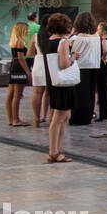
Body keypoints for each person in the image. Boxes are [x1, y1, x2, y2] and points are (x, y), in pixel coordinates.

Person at [39, 13, 77, 163]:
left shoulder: (49, 41)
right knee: (60, 117)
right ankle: (54, 151)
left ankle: (57, 149)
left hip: (54, 81)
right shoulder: (62, 43)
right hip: (63, 82)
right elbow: (63, 64)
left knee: (62, 116)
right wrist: (73, 58)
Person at [69, 12, 100, 126]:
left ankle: (78, 117)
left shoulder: (79, 38)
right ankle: (88, 116)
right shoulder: (97, 37)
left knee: (79, 93)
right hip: (94, 66)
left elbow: (74, 53)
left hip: (81, 66)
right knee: (91, 92)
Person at [5, 22, 30, 127]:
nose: (28, 31)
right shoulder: (20, 41)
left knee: (11, 94)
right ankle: (16, 119)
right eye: (27, 29)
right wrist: (28, 71)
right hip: (19, 68)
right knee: (17, 95)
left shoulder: (14, 41)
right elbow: (21, 58)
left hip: (14, 66)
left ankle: (11, 119)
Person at [27, 28, 48, 127]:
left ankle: (36, 119)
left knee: (36, 92)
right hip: (50, 63)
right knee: (49, 93)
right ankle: (47, 116)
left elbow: (30, 52)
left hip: (38, 62)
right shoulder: (54, 35)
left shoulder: (35, 36)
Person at [95, 22, 107, 122]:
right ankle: (105, 112)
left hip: (103, 66)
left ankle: (103, 114)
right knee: (105, 89)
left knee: (102, 90)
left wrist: (104, 56)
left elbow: (106, 49)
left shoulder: (104, 40)